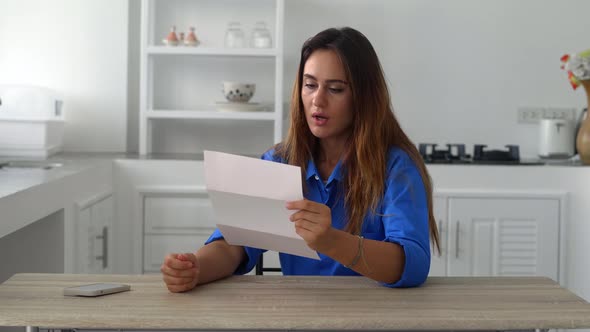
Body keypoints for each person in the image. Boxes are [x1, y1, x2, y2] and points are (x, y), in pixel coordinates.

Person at [161, 27, 440, 292]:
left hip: (377, 317)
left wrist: (331, 240)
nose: (317, 100)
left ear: (364, 97)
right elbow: (234, 244)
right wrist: (195, 268)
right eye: (310, 85)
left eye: (336, 89)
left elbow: (412, 266)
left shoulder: (396, 167)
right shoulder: (279, 162)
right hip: (300, 316)